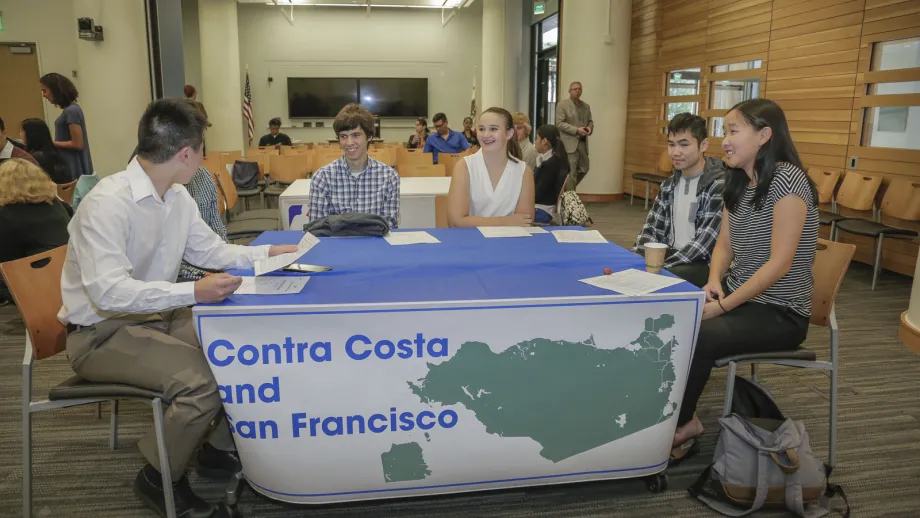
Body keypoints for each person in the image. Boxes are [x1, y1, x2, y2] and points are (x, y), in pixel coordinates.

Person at [57, 98, 299, 517]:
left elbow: (211, 251)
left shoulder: (177, 197)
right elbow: (109, 294)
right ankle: (156, 476)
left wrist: (267, 255)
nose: (203, 158)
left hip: (154, 317)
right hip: (98, 335)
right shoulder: (107, 203)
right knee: (203, 381)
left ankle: (214, 449)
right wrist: (193, 294)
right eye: (202, 149)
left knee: (239, 352)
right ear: (186, 154)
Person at [669, 99, 819, 464]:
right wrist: (715, 280)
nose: (726, 140)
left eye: (733, 131)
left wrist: (721, 307)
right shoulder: (737, 177)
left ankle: (684, 424)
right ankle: (662, 408)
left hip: (780, 311)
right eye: (725, 131)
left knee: (701, 333)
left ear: (765, 135)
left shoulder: (788, 180)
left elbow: (779, 265)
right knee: (669, 292)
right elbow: (724, 243)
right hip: (741, 293)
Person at [633, 113, 726, 288]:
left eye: (684, 145)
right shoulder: (668, 185)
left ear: (703, 145)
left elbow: (704, 244)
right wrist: (637, 257)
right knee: (631, 269)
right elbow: (651, 229)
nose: (676, 152)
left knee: (657, 281)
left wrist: (661, 268)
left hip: (701, 263)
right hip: (670, 255)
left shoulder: (718, 185)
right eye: (671, 145)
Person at [309, 103, 400, 229]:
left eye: (356, 135)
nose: (349, 143)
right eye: (344, 136)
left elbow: (389, 227)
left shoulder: (389, 177)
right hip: (336, 247)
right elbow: (317, 228)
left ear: (369, 137)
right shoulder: (322, 177)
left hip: (375, 247)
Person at [446, 107, 535, 227]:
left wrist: (473, 221)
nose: (485, 135)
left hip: (510, 242)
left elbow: (525, 222)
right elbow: (456, 222)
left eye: (493, 129)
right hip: (471, 242)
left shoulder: (523, 171)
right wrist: (507, 221)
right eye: (481, 129)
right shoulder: (465, 166)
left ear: (509, 133)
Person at [0, 159, 72, 303]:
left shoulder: (6, 215)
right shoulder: (59, 206)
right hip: (71, 281)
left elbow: (5, 260)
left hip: (36, 287)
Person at [40, 73, 94, 179]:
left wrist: (51, 143)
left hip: (73, 165)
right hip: (70, 163)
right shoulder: (70, 110)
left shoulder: (71, 111)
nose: (44, 95)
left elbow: (77, 143)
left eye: (45, 90)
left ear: (55, 90)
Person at [555, 81, 593, 188]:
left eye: (579, 89)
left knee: (585, 168)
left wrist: (590, 128)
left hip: (582, 143)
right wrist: (576, 130)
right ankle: (570, 199)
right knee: (571, 172)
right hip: (569, 144)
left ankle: (567, 190)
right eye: (575, 89)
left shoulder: (586, 106)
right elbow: (559, 123)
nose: (577, 91)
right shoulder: (562, 105)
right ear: (569, 91)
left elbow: (590, 121)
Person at [532, 125, 569, 224]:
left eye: (536, 139)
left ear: (544, 141)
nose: (535, 142)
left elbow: (536, 194)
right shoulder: (552, 160)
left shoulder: (551, 164)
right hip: (542, 207)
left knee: (506, 212)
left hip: (542, 210)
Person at [20, 118, 72, 184]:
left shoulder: (35, 157)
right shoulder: (54, 152)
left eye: (22, 131)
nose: (20, 134)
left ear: (30, 134)